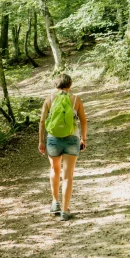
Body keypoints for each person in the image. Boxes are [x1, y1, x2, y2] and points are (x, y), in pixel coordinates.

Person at [38, 73, 87, 221]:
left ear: (55, 85)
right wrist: (84, 138)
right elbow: (84, 121)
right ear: (70, 85)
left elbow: (41, 121)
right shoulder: (76, 99)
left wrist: (41, 141)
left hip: (53, 139)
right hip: (72, 139)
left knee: (54, 170)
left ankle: (55, 203)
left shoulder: (49, 99)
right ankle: (65, 211)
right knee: (68, 176)